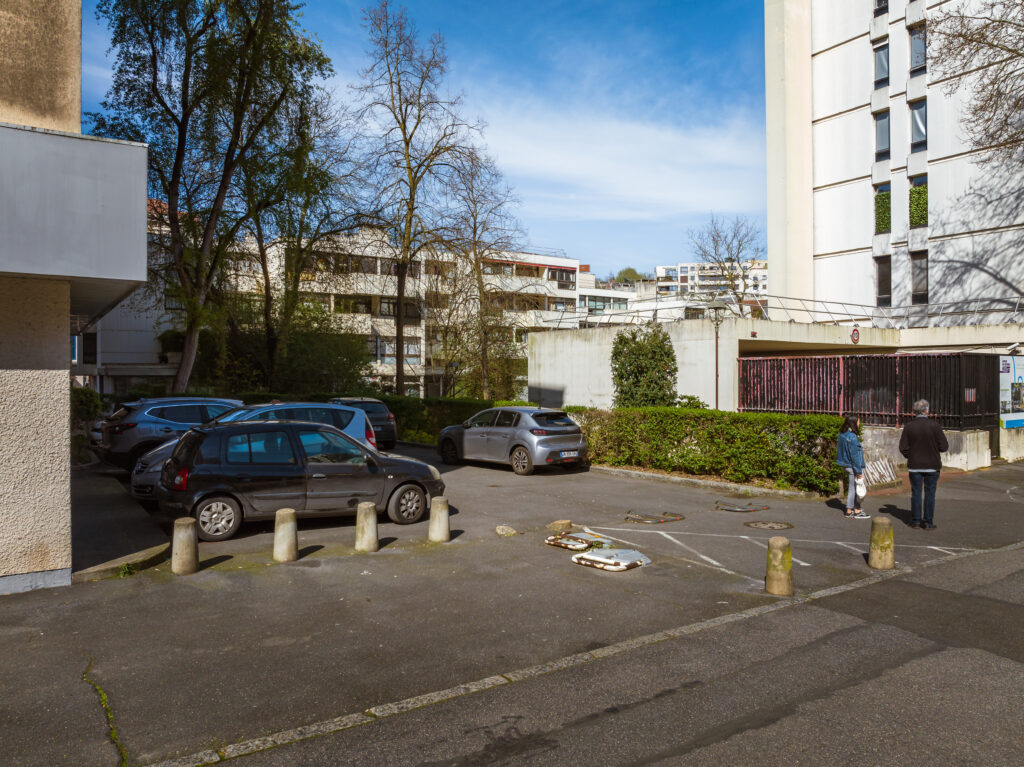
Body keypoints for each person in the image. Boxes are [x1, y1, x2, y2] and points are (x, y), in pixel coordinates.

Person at [899, 399, 949, 529]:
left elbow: (903, 447)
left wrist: (910, 455)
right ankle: (928, 522)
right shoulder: (935, 426)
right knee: (930, 494)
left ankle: (915, 521)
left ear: (914, 411)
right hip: (932, 464)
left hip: (915, 465)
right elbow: (944, 446)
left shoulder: (909, 427)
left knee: (916, 493)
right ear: (927, 410)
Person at [836, 415, 869, 519]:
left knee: (853, 487)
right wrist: (858, 472)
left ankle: (854, 509)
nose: (859, 424)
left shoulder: (842, 435)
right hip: (852, 466)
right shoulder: (853, 437)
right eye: (858, 422)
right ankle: (852, 511)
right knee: (853, 488)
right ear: (853, 423)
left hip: (846, 465)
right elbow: (854, 456)